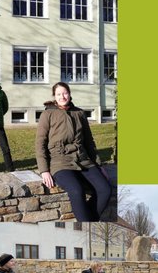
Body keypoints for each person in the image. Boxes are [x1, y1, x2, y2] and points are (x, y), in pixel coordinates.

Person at [35, 82, 111, 221]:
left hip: (83, 159)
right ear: (54, 96)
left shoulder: (79, 113)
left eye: (65, 93)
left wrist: (99, 165)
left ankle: (89, 221)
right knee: (77, 191)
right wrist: (44, 170)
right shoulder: (48, 114)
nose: (62, 97)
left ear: (69, 94)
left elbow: (89, 142)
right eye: (58, 94)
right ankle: (87, 224)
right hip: (60, 161)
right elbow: (40, 143)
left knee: (105, 189)